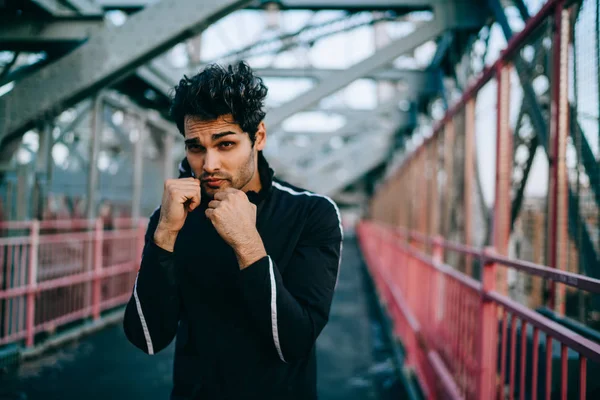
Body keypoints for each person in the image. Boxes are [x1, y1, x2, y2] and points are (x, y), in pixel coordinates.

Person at [123, 61, 343, 400]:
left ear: (258, 137)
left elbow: (295, 341)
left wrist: (247, 243)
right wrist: (164, 234)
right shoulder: (174, 217)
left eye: (225, 144)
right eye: (196, 147)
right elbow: (147, 338)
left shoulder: (311, 213)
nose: (209, 164)